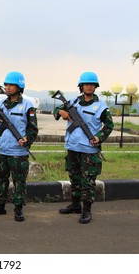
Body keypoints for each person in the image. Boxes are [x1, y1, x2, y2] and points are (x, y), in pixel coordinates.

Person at [54, 71, 114, 224]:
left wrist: (98, 138)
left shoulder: (101, 106)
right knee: (74, 177)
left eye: (91, 84)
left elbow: (109, 125)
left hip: (89, 149)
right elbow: (56, 111)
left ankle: (86, 210)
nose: (89, 86)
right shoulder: (73, 102)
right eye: (86, 84)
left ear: (95, 87)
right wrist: (61, 112)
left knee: (88, 181)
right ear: (81, 86)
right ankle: (75, 205)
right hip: (73, 147)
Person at [0, 71, 38, 221]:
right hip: (1, 149)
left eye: (11, 85)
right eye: (6, 84)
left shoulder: (27, 105)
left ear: (19, 86)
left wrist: (27, 140)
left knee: (19, 181)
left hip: (18, 152)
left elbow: (33, 129)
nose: (7, 87)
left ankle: (18, 208)